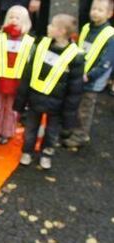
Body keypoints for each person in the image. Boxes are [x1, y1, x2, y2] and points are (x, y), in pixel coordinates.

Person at [13, 14, 84, 170]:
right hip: (35, 99)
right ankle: (27, 152)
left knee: (52, 133)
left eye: (52, 25)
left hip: (57, 105)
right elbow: (28, 73)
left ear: (62, 31)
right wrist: (21, 101)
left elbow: (74, 91)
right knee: (30, 129)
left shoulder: (75, 57)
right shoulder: (42, 44)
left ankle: (46, 154)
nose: (48, 27)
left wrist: (68, 117)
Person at [63, 0, 114, 148]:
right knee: (74, 103)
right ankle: (72, 129)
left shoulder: (110, 35)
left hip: (92, 80)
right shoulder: (86, 28)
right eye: (94, 9)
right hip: (78, 74)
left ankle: (81, 135)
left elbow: (106, 62)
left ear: (109, 14)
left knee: (85, 108)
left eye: (100, 10)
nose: (95, 12)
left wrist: (90, 75)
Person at [0, 5, 34, 144]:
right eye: (11, 17)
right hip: (0, 80)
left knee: (12, 110)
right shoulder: (0, 37)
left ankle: (7, 132)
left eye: (18, 18)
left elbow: (31, 65)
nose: (14, 20)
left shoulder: (29, 42)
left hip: (17, 84)